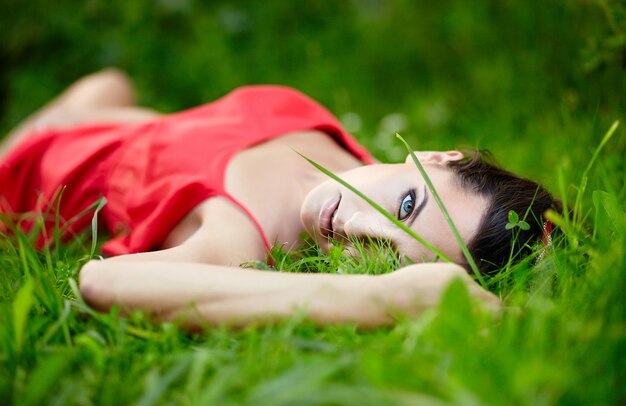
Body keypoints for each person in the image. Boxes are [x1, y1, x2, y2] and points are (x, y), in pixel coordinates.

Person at [0, 69, 559, 329]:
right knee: (110, 80)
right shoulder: (340, 156)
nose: (357, 230)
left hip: (27, 170)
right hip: (103, 120)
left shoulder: (247, 237)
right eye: (407, 208)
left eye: (386, 258)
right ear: (437, 157)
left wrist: (384, 299)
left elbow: (104, 282)